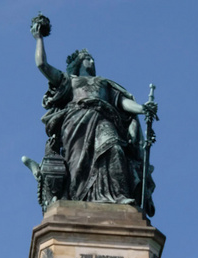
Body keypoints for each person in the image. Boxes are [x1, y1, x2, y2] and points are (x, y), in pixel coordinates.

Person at [33, 25, 157, 211]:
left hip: (103, 118)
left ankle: (119, 195)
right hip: (76, 122)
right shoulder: (70, 81)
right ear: (79, 63)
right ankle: (77, 197)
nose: (92, 61)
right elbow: (42, 65)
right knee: (78, 164)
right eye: (88, 58)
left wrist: (142, 108)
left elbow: (121, 102)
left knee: (114, 147)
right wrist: (38, 38)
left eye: (92, 59)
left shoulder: (103, 83)